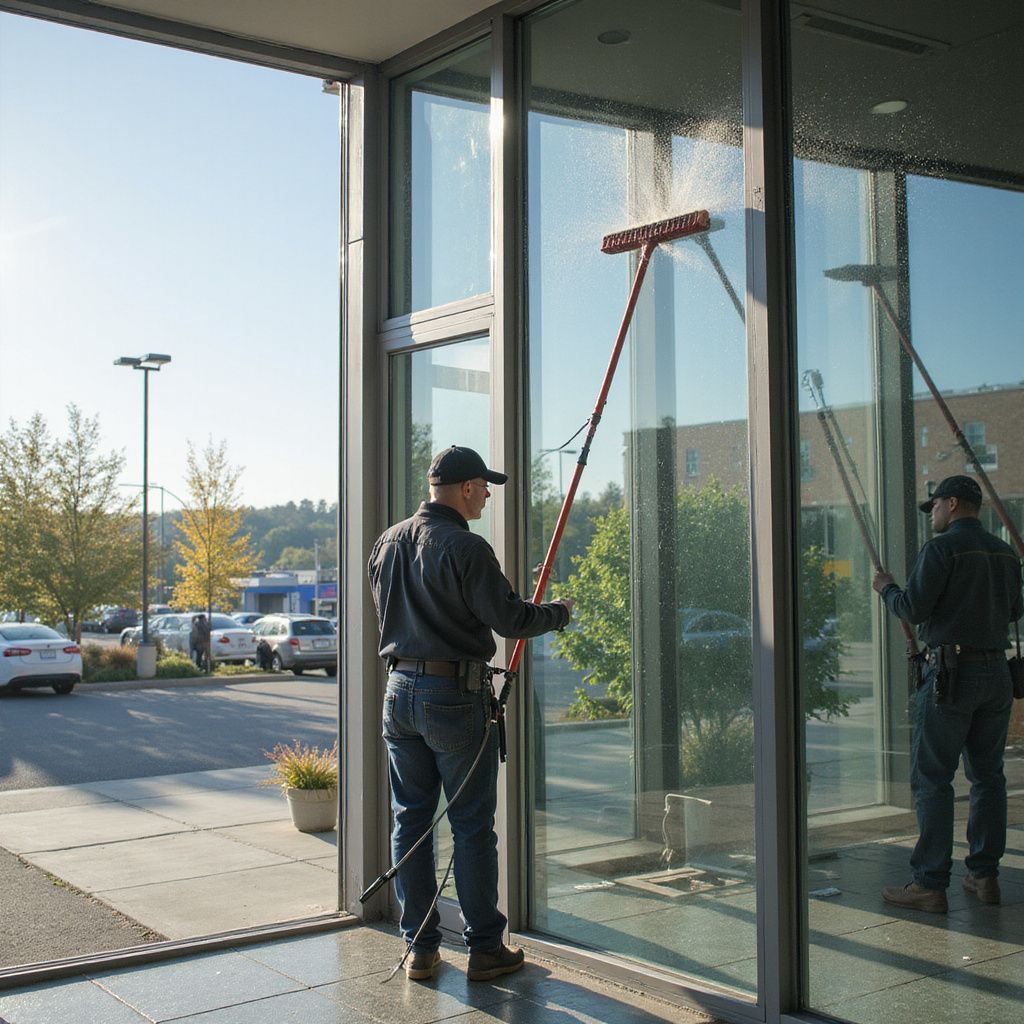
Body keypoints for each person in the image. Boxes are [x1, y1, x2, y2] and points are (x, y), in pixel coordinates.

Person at [367, 445, 573, 981]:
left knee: (410, 821)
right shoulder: (466, 546)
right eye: (484, 486)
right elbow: (509, 620)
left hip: (398, 692)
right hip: (453, 699)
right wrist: (557, 613)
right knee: (472, 826)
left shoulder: (386, 543)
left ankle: (420, 947)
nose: (487, 495)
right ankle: (485, 947)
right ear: (463, 489)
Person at [872, 475, 1022, 913]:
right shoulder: (1005, 552)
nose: (931, 513)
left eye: (934, 505)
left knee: (933, 779)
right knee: (988, 777)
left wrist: (887, 590)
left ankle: (929, 883)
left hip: (950, 677)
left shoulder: (941, 550)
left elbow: (914, 610)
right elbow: (1016, 610)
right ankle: (984, 875)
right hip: (997, 675)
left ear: (953, 504)